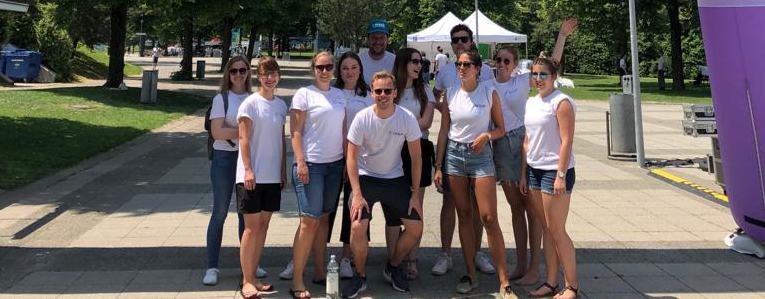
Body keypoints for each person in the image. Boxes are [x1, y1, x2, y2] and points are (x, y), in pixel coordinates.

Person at [492, 19, 577, 287]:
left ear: (515, 64)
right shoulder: (490, 81)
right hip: (512, 152)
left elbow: (550, 66)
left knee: (546, 222)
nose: (502, 64)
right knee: (523, 212)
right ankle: (533, 272)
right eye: (498, 59)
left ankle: (553, 276)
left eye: (507, 60)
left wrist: (561, 37)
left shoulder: (529, 85)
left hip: (540, 157)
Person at [433, 49, 515, 298]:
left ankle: (504, 282)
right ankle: (471, 274)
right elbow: (444, 130)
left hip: (480, 156)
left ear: (478, 69)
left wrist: (487, 135)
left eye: (467, 64)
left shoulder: (488, 92)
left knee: (489, 217)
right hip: (455, 157)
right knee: (464, 215)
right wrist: (438, 166)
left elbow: (501, 128)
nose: (461, 67)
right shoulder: (451, 94)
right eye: (459, 63)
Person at [342, 71, 424, 298]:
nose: (383, 95)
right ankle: (360, 276)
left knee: (416, 227)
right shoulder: (362, 117)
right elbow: (351, 157)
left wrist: (415, 194)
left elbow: (416, 158)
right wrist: (356, 193)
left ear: (395, 92)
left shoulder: (406, 117)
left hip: (394, 178)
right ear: (372, 93)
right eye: (378, 91)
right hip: (366, 177)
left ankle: (393, 266)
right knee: (358, 226)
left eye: (388, 90)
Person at [431, 23, 496, 277]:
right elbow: (434, 95)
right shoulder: (447, 71)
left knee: (479, 206)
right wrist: (444, 109)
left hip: (480, 146)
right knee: (451, 202)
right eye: (455, 40)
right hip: (454, 145)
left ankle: (477, 252)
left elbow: (495, 97)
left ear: (471, 41)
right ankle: (445, 253)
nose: (459, 44)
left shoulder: (486, 71)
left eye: (464, 39)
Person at [203, 56, 267, 286]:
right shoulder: (221, 99)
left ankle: (249, 265)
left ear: (249, 73)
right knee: (219, 212)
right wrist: (243, 132)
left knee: (247, 214)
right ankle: (212, 266)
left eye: (243, 70)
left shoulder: (254, 98)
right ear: (227, 74)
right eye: (234, 71)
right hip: (223, 158)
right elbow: (217, 132)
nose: (239, 75)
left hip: (247, 159)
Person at [287, 51, 346, 299]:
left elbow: (343, 132)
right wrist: (300, 162)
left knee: (323, 219)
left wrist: (345, 164)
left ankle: (320, 272)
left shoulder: (340, 95)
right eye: (320, 67)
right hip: (311, 165)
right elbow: (296, 132)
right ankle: (297, 280)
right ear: (313, 69)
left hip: (334, 165)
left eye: (329, 66)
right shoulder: (304, 94)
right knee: (309, 221)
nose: (325, 71)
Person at [525, 57, 579, 299]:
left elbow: (567, 141)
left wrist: (560, 175)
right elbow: (527, 140)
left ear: (553, 76)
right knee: (547, 229)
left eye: (543, 75)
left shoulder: (561, 102)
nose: (538, 79)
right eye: (535, 74)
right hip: (534, 171)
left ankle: (572, 286)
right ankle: (550, 282)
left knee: (557, 230)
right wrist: (524, 171)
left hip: (555, 172)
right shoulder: (531, 102)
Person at [236, 56, 287, 299]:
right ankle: (246, 280)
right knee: (251, 228)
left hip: (272, 176)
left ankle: (254, 275)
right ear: (258, 76)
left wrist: (283, 171)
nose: (270, 78)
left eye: (274, 73)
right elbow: (244, 139)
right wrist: (248, 169)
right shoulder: (249, 104)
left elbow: (280, 139)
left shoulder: (280, 105)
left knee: (264, 227)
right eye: (266, 73)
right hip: (251, 175)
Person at [389, 48, 436, 281]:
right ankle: (393, 259)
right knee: (394, 211)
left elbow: (427, 122)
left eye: (421, 62)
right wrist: (409, 125)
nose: (420, 66)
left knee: (415, 206)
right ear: (403, 64)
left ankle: (412, 260)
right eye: (415, 62)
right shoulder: (392, 90)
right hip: (394, 152)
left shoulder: (425, 90)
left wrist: (401, 124)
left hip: (419, 151)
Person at [329, 51, 375, 279]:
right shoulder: (331, 93)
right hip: (330, 157)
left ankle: (347, 256)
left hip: (358, 161)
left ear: (360, 70)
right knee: (323, 211)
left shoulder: (368, 95)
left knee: (353, 209)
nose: (349, 72)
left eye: (353, 67)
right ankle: (314, 253)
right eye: (345, 67)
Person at [359, 19, 396, 84]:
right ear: (367, 39)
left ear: (387, 40)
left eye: (382, 38)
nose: (378, 42)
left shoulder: (396, 61)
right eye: (374, 38)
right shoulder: (357, 60)